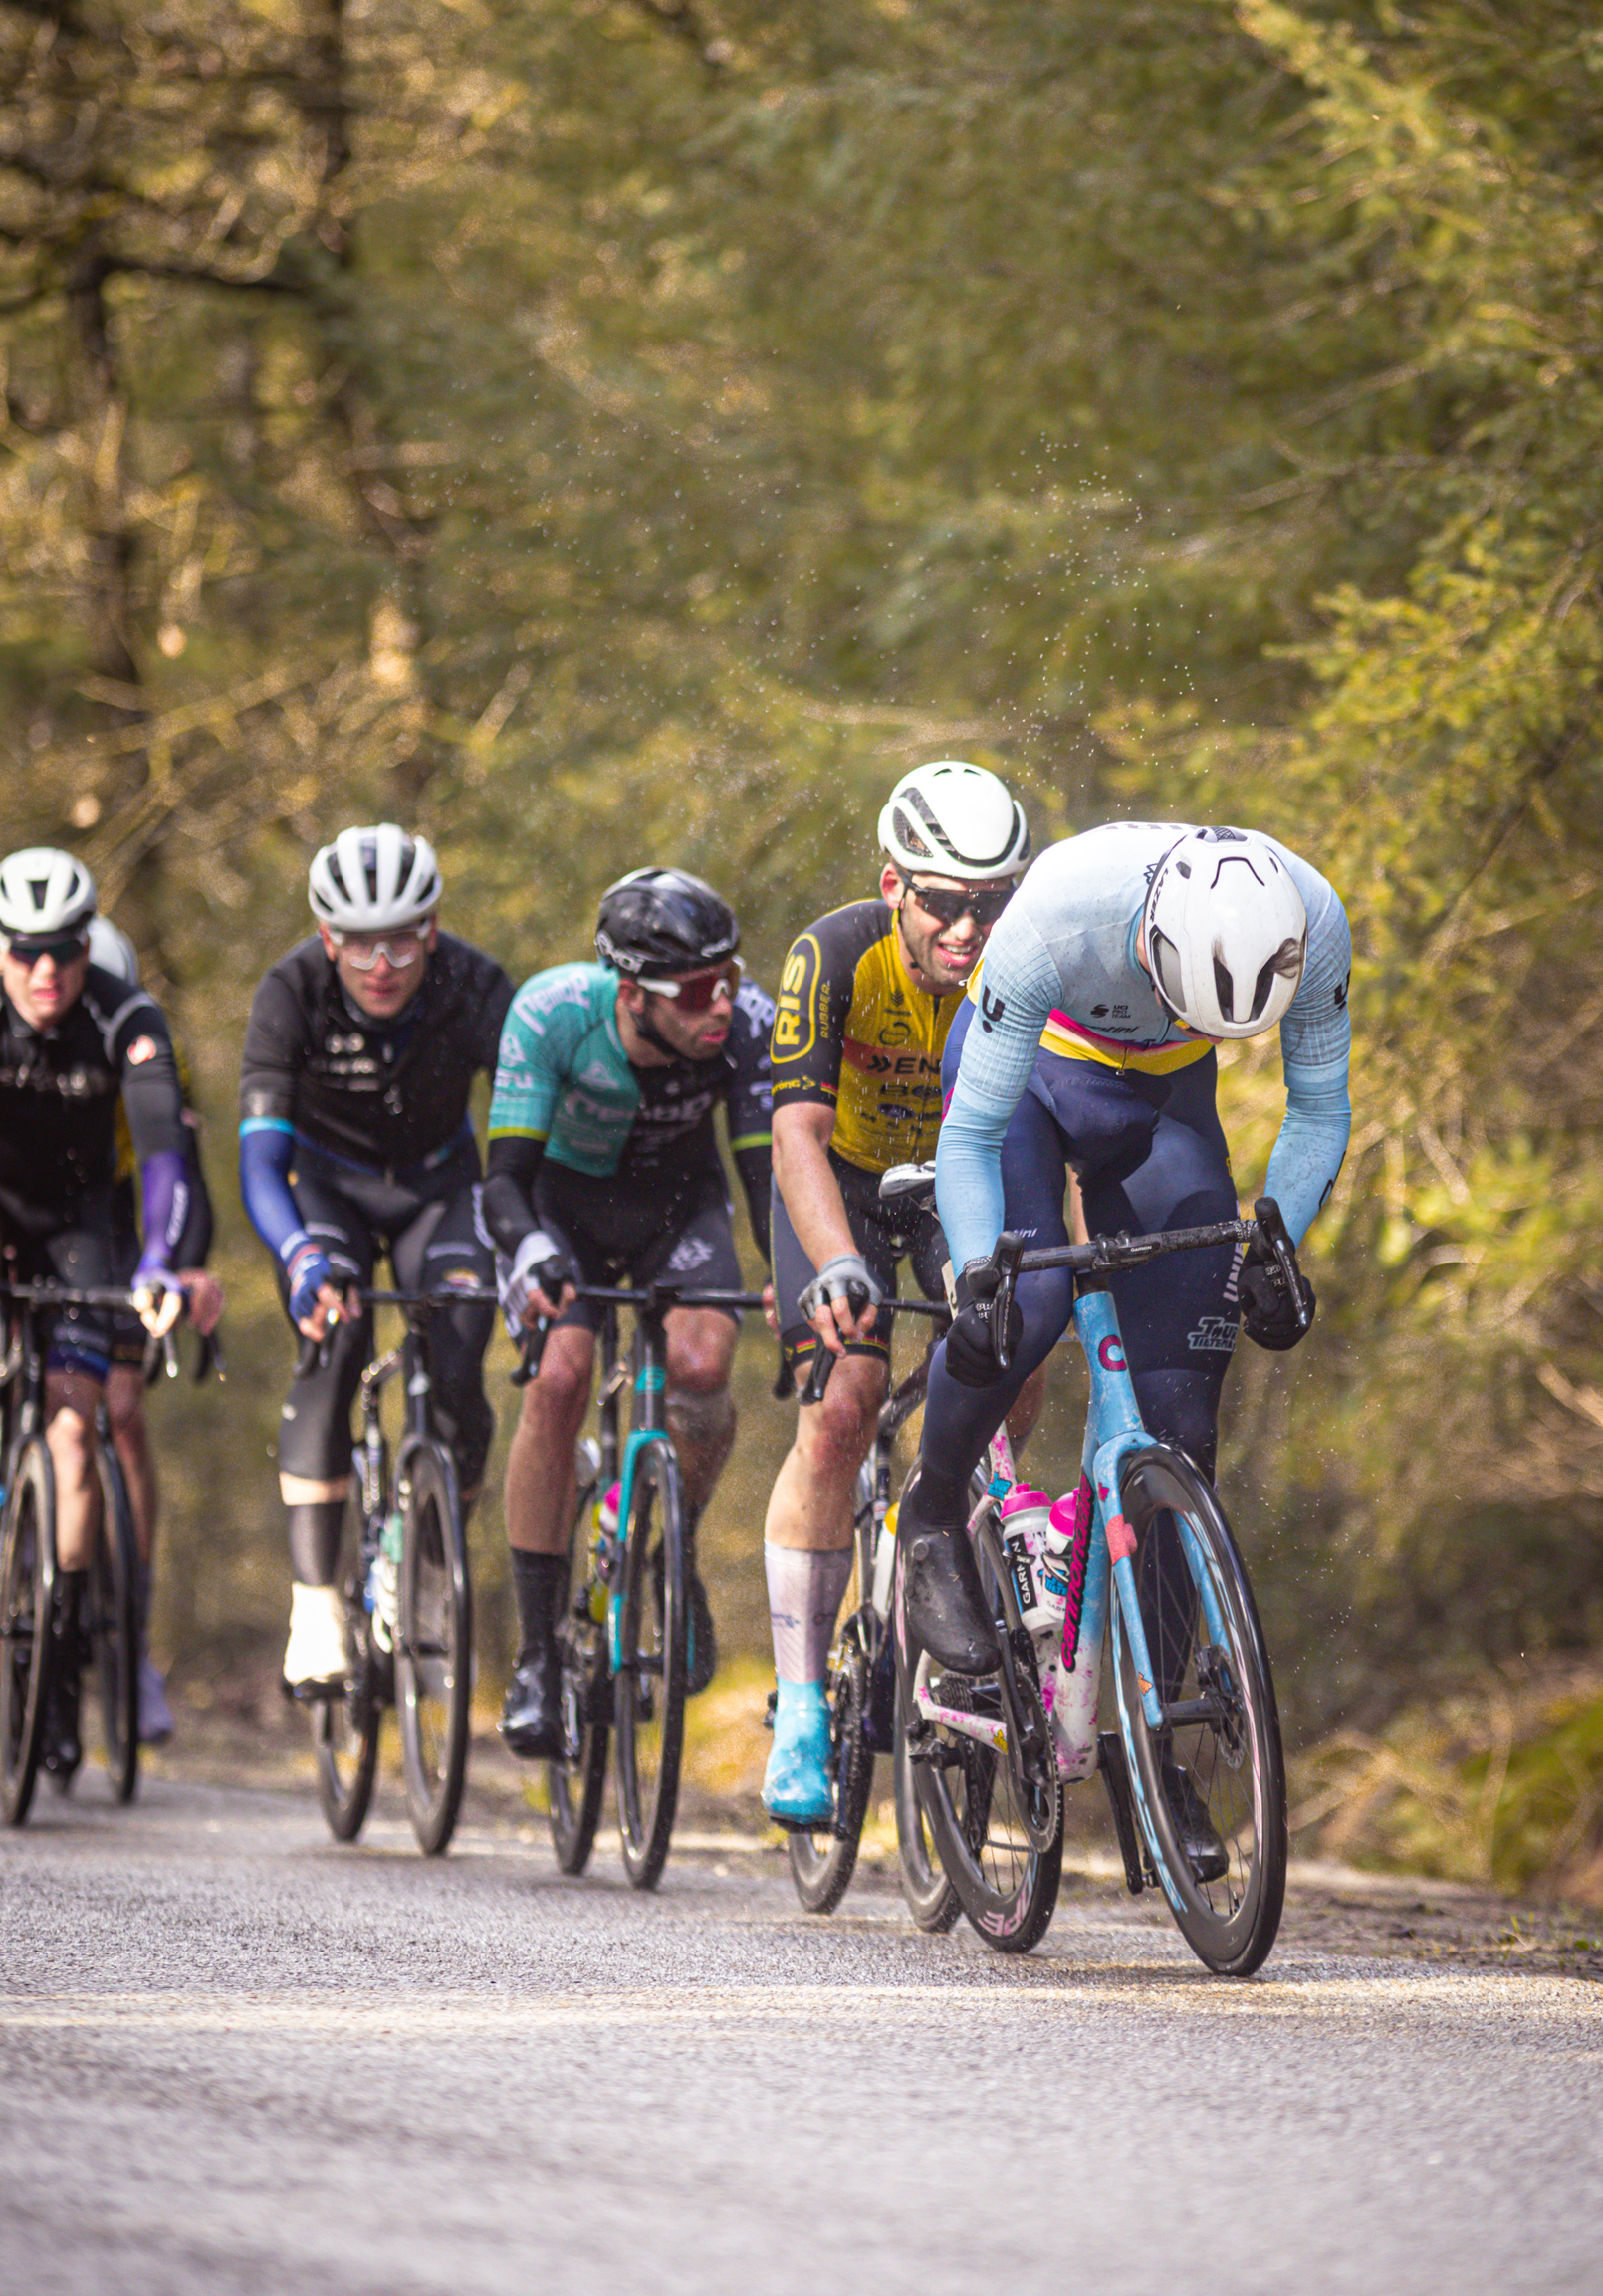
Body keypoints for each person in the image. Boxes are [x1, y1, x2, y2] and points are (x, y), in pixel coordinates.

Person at [896, 821, 1350, 1683]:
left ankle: (1167, 1741)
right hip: (1029, 1078)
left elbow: (1321, 1109)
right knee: (1023, 1312)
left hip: (1164, 1097)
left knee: (1181, 1418)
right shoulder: (1059, 914)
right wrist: (977, 1277)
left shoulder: (1314, 919)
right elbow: (970, 1137)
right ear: (1151, 942)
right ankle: (930, 1510)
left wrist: (1279, 1243)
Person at [760, 761, 1041, 1825]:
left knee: (1017, 1358)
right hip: (839, 1185)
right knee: (841, 1402)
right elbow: (794, 1130)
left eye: (991, 901)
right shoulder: (831, 953)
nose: (968, 927)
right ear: (894, 886)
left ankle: (947, 1542)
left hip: (947, 1184)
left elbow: (1043, 1136)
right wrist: (833, 1261)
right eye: (944, 902)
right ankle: (796, 1708)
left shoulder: (1020, 965)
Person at [483, 869, 774, 1758]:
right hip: (561, 1212)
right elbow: (503, 1180)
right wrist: (528, 1252)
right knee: (561, 1376)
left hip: (678, 1207)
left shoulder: (748, 1024)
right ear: (633, 993)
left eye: (726, 977)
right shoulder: (551, 1013)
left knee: (701, 1368)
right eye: (694, 990)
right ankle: (537, 1656)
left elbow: (763, 1176)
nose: (719, 1002)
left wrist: (790, 1280)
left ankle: (664, 1549)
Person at [238, 825, 512, 1694]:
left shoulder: (475, 986)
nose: (383, 963)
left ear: (432, 930)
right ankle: (314, 1604)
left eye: (403, 938)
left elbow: (523, 1124)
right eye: (360, 943)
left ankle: (430, 1564)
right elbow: (258, 1159)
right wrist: (300, 1255)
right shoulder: (291, 991)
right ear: (328, 938)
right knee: (334, 1341)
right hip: (328, 1190)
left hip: (439, 1182)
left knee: (462, 1359)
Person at [0, 849, 197, 1781]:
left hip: (87, 1225)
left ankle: (63, 1636)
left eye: (65, 952)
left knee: (80, 1430)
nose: (47, 973)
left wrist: (162, 1260)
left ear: (90, 949)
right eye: (25, 952)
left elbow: (164, 1158)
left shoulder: (127, 1017)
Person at [90, 913, 225, 1744]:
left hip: (121, 1241)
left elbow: (185, 1197)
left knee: (124, 1412)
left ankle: (131, 1640)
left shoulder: (143, 1058)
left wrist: (182, 1267)